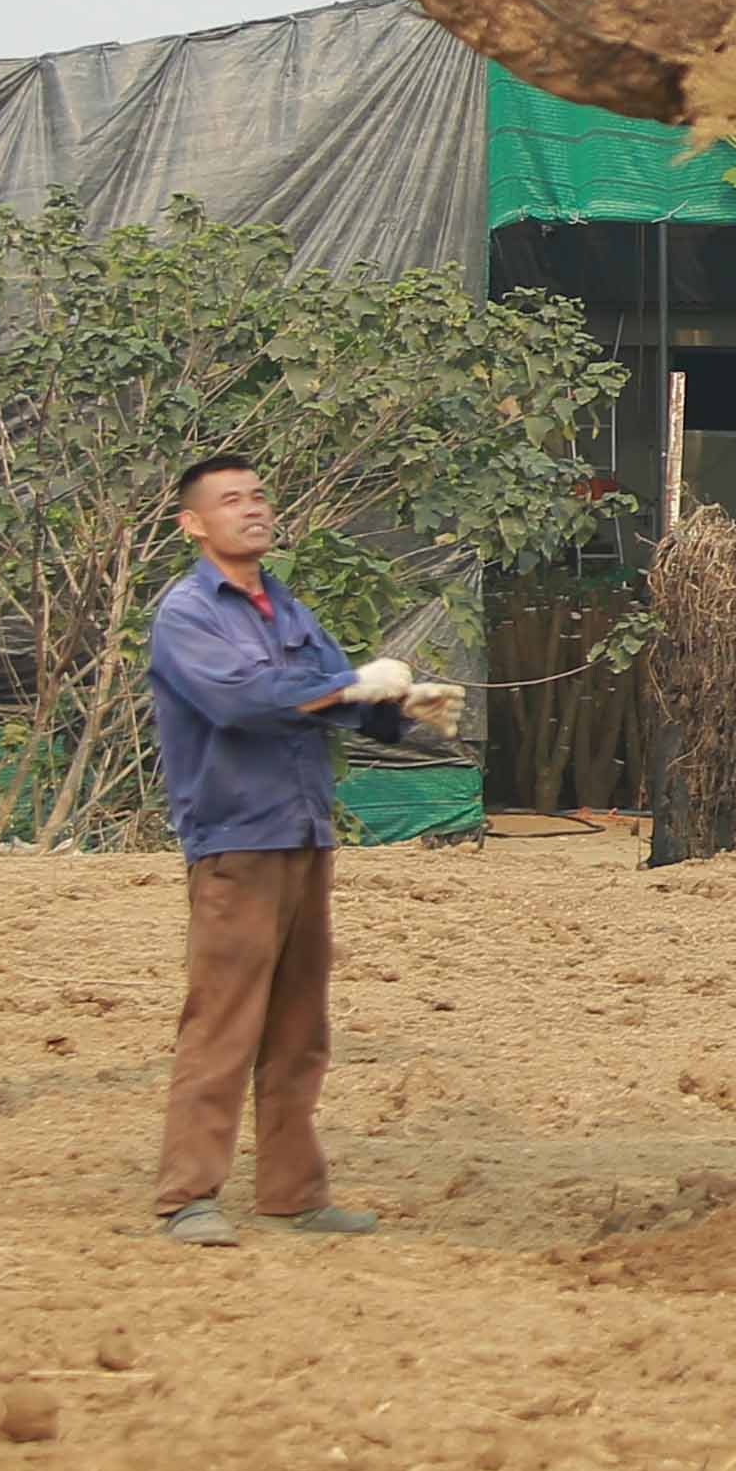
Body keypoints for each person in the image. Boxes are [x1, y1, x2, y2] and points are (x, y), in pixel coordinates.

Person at [146, 451, 451, 1248]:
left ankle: (292, 1189)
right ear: (192, 523)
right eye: (229, 499)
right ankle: (188, 1194)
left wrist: (398, 707)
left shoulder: (283, 605)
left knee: (299, 1026)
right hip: (237, 836)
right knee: (223, 1020)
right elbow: (243, 702)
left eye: (257, 494)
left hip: (305, 829)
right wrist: (356, 684)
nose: (251, 508)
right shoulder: (188, 612)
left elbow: (330, 697)